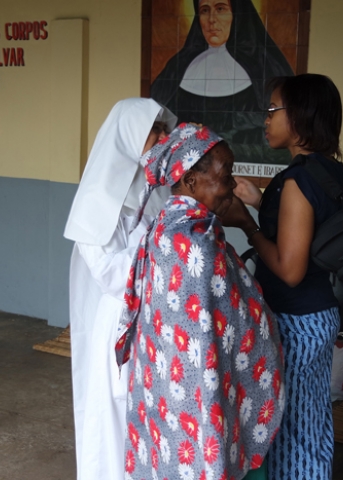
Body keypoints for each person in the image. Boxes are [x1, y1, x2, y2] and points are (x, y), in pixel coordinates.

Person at [115, 123, 285, 480]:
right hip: (193, 387)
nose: (232, 186)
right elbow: (230, 318)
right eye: (226, 175)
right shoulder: (195, 243)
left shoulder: (168, 225)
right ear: (191, 179)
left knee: (174, 453)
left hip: (168, 383)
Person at [222, 73, 343, 479]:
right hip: (317, 313)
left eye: (273, 109)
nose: (266, 118)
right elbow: (305, 235)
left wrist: (246, 224)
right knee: (310, 420)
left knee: (290, 425)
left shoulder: (297, 181)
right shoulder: (327, 171)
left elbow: (290, 270)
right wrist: (260, 201)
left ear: (299, 117)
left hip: (297, 321)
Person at [63, 98, 177, 480]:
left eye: (164, 129)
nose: (163, 138)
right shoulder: (95, 203)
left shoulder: (158, 191)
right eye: (153, 132)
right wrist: (155, 237)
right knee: (114, 424)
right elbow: (115, 278)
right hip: (119, 325)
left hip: (156, 322)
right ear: (129, 137)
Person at [150, 0, 294, 164]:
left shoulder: (267, 66)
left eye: (220, 9)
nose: (212, 19)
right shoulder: (177, 68)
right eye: (204, 10)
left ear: (237, 15)